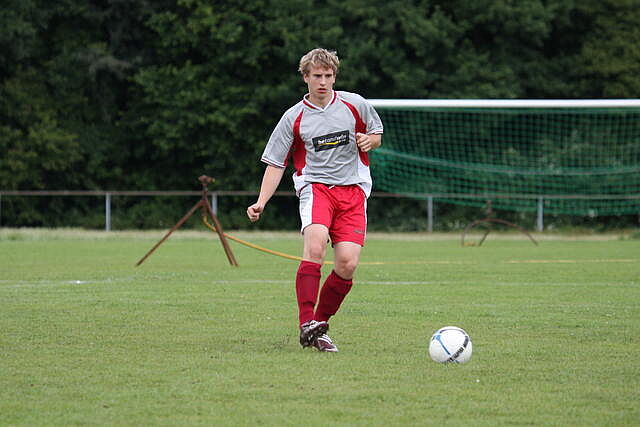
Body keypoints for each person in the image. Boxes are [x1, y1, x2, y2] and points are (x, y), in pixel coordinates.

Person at [246, 48, 383, 352]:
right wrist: (261, 201)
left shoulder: (355, 104)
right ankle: (306, 320)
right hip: (316, 188)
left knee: (347, 264)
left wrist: (369, 141)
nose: (323, 81)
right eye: (317, 76)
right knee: (316, 246)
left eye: (328, 76)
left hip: (353, 191)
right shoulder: (293, 117)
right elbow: (276, 163)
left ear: (335, 77)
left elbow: (376, 134)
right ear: (305, 77)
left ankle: (319, 326)